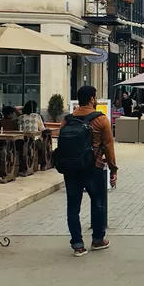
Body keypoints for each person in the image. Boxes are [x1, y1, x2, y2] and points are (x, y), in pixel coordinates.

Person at [53, 84, 118, 256]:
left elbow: (62, 144)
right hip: (93, 167)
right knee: (98, 203)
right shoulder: (101, 120)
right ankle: (98, 240)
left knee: (73, 206)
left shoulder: (67, 120)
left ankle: (77, 244)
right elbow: (109, 146)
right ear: (92, 98)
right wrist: (113, 169)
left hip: (71, 168)